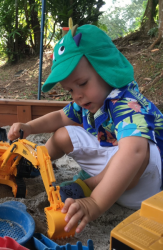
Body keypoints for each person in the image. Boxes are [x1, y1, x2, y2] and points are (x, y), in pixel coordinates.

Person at [8, 25, 163, 235]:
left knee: (139, 148)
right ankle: (34, 164)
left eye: (82, 83)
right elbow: (60, 116)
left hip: (144, 185)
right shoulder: (89, 100)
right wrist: (29, 127)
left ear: (105, 68)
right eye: (70, 90)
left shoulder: (126, 102)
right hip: (114, 163)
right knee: (63, 133)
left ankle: (90, 186)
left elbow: (133, 153)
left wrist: (94, 204)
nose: (77, 96)